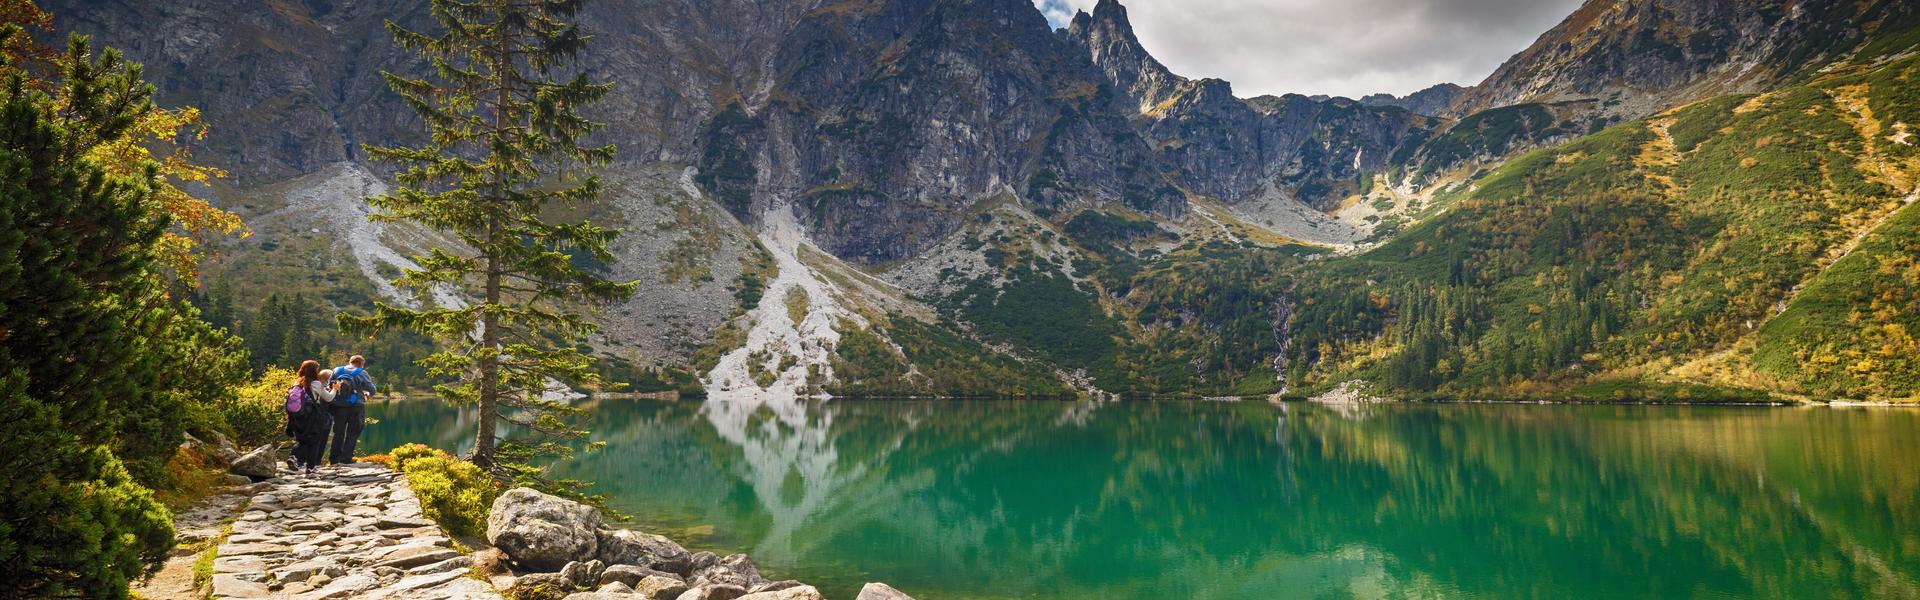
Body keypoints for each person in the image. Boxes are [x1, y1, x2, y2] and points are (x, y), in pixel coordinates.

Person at [327, 355, 377, 466]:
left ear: (350, 362)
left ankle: (334, 459)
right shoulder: (361, 372)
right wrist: (367, 394)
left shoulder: (336, 370)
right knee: (353, 432)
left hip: (338, 406)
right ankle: (346, 458)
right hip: (356, 406)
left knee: (338, 432)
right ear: (360, 363)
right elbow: (372, 389)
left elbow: (329, 385)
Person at [287, 360, 334, 474]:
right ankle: (310, 467)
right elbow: (328, 398)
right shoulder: (315, 383)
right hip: (311, 415)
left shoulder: (297, 382)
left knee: (303, 439)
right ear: (314, 371)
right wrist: (335, 389)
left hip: (297, 415)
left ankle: (295, 458)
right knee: (314, 440)